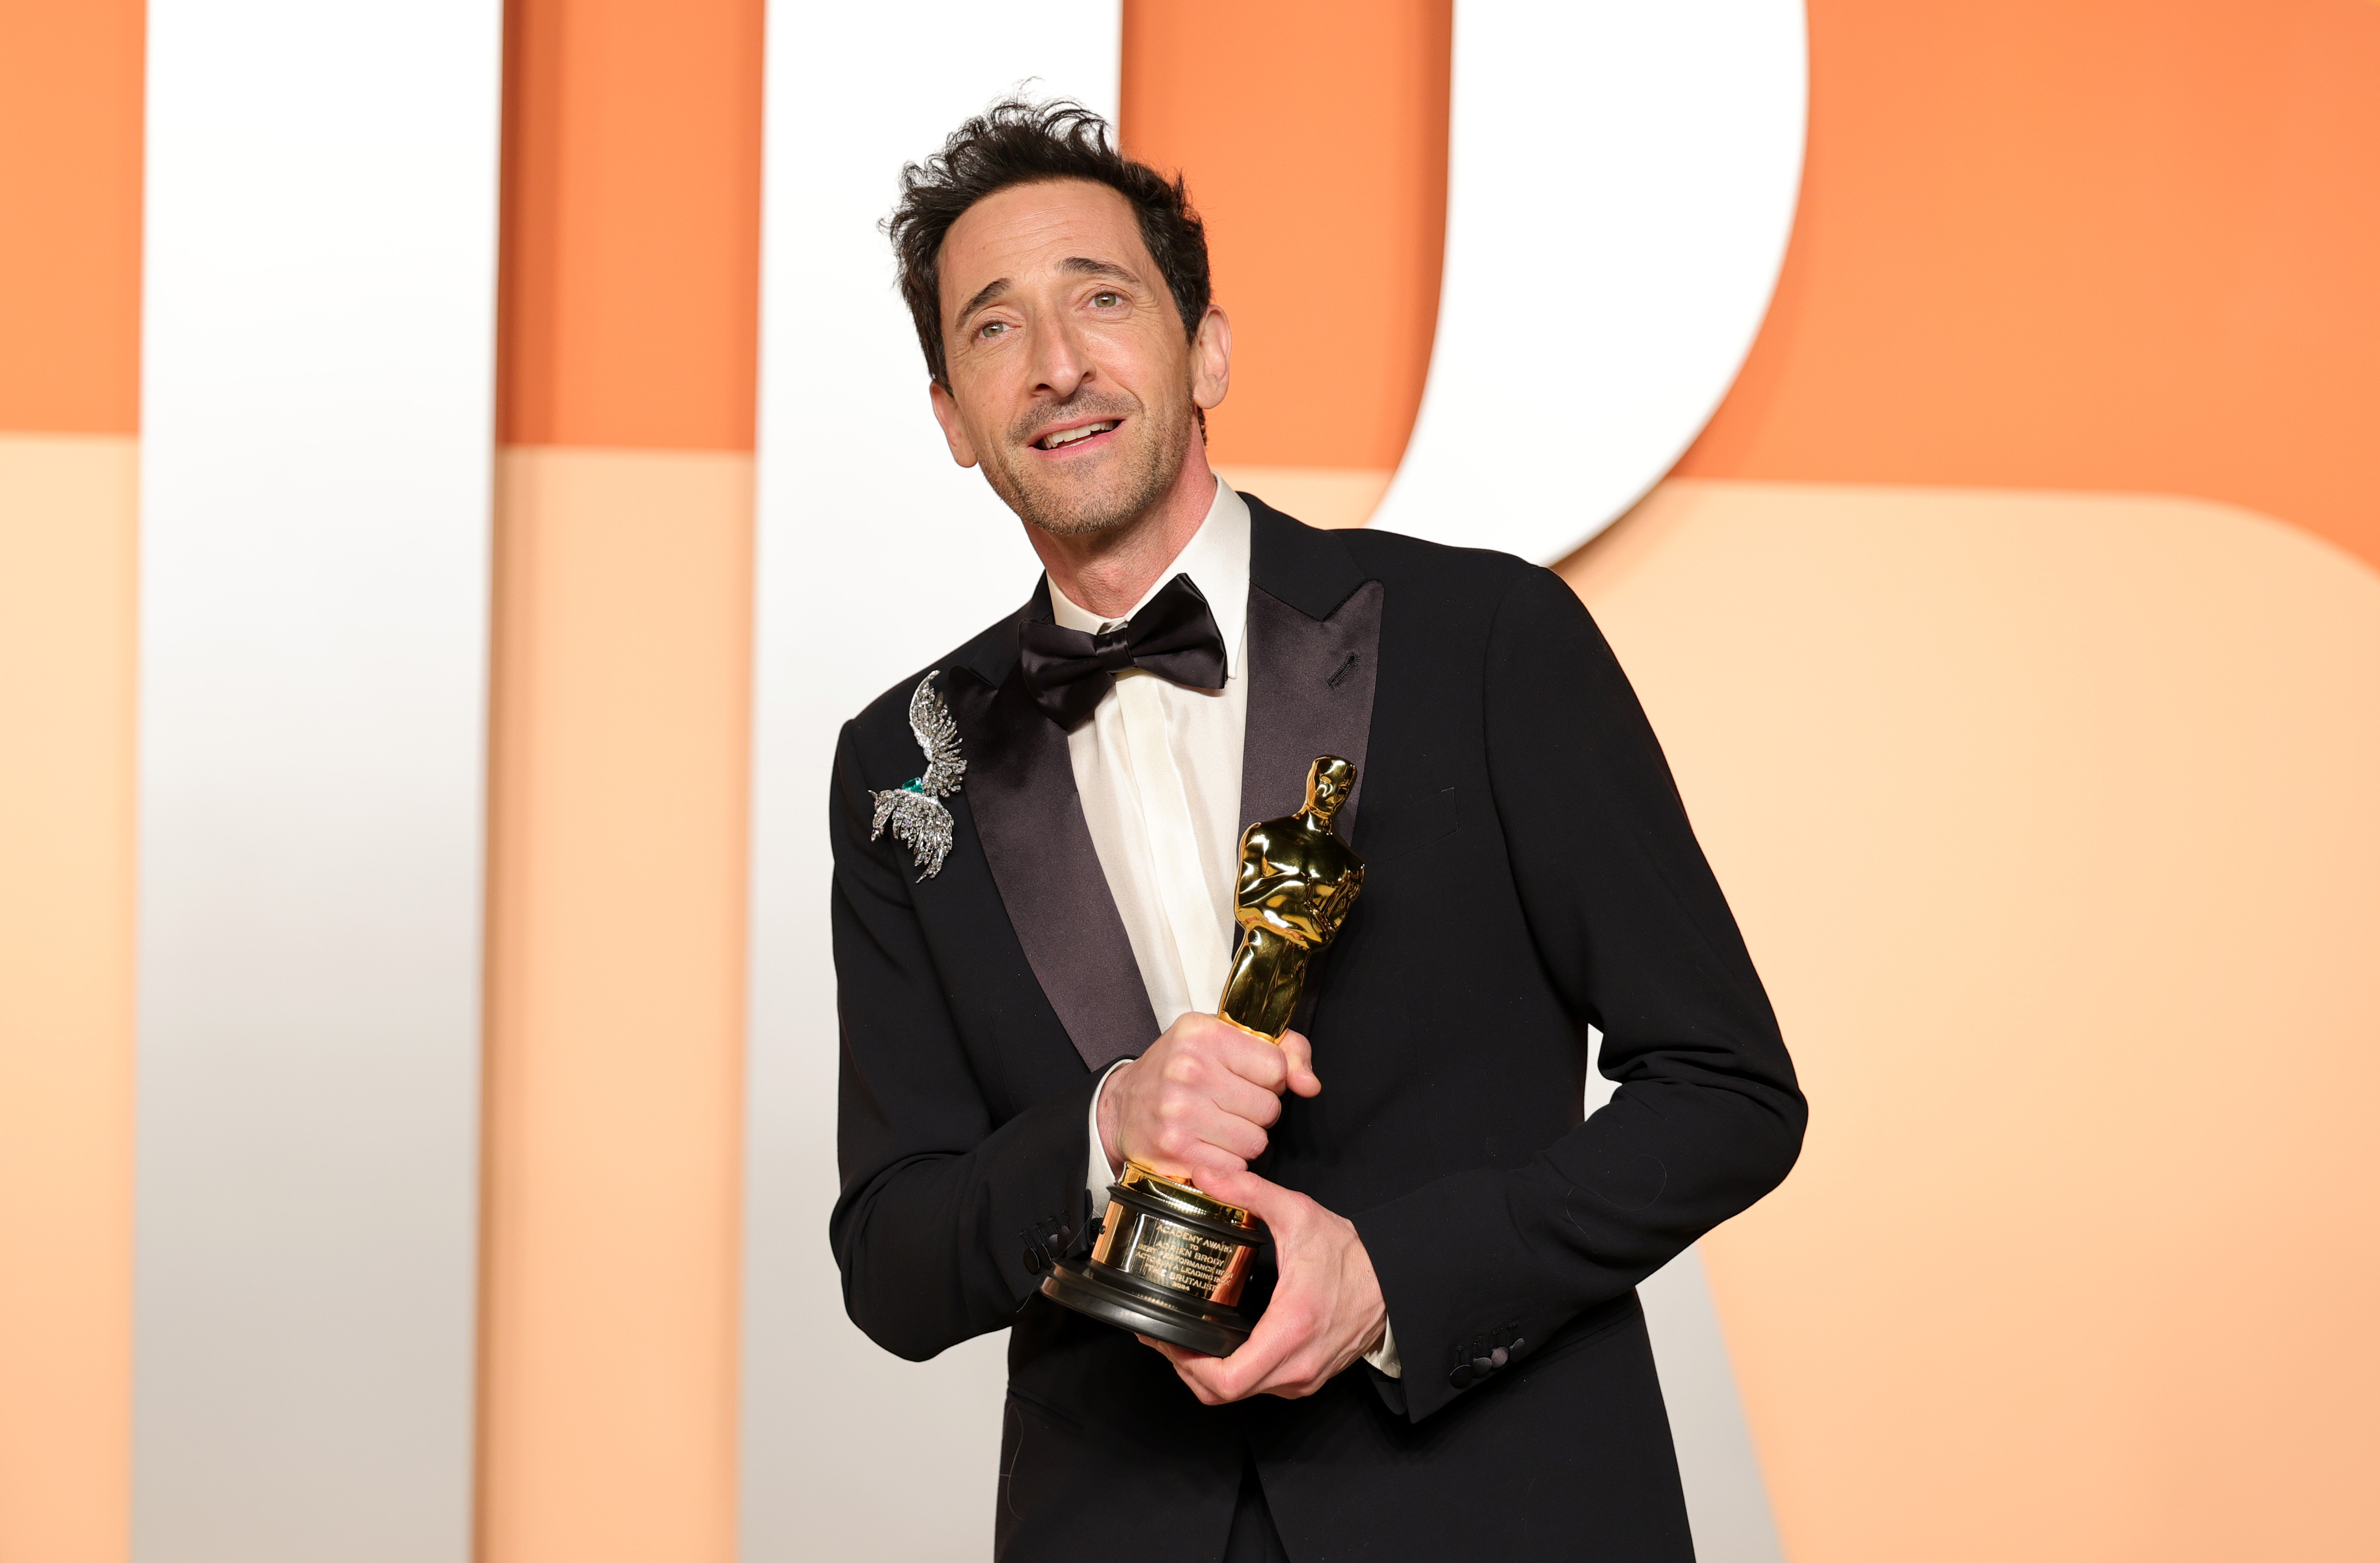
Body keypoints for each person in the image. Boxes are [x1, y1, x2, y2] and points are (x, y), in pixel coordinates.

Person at [828, 100, 1805, 1563]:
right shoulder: (904, 764)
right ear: (953, 422)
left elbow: (1731, 1092)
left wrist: (1390, 1281)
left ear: (1207, 347)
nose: (1057, 363)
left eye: (1102, 297)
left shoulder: (1486, 639)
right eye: (992, 328)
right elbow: (894, 1261)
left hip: (1508, 1514)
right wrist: (1103, 1132)